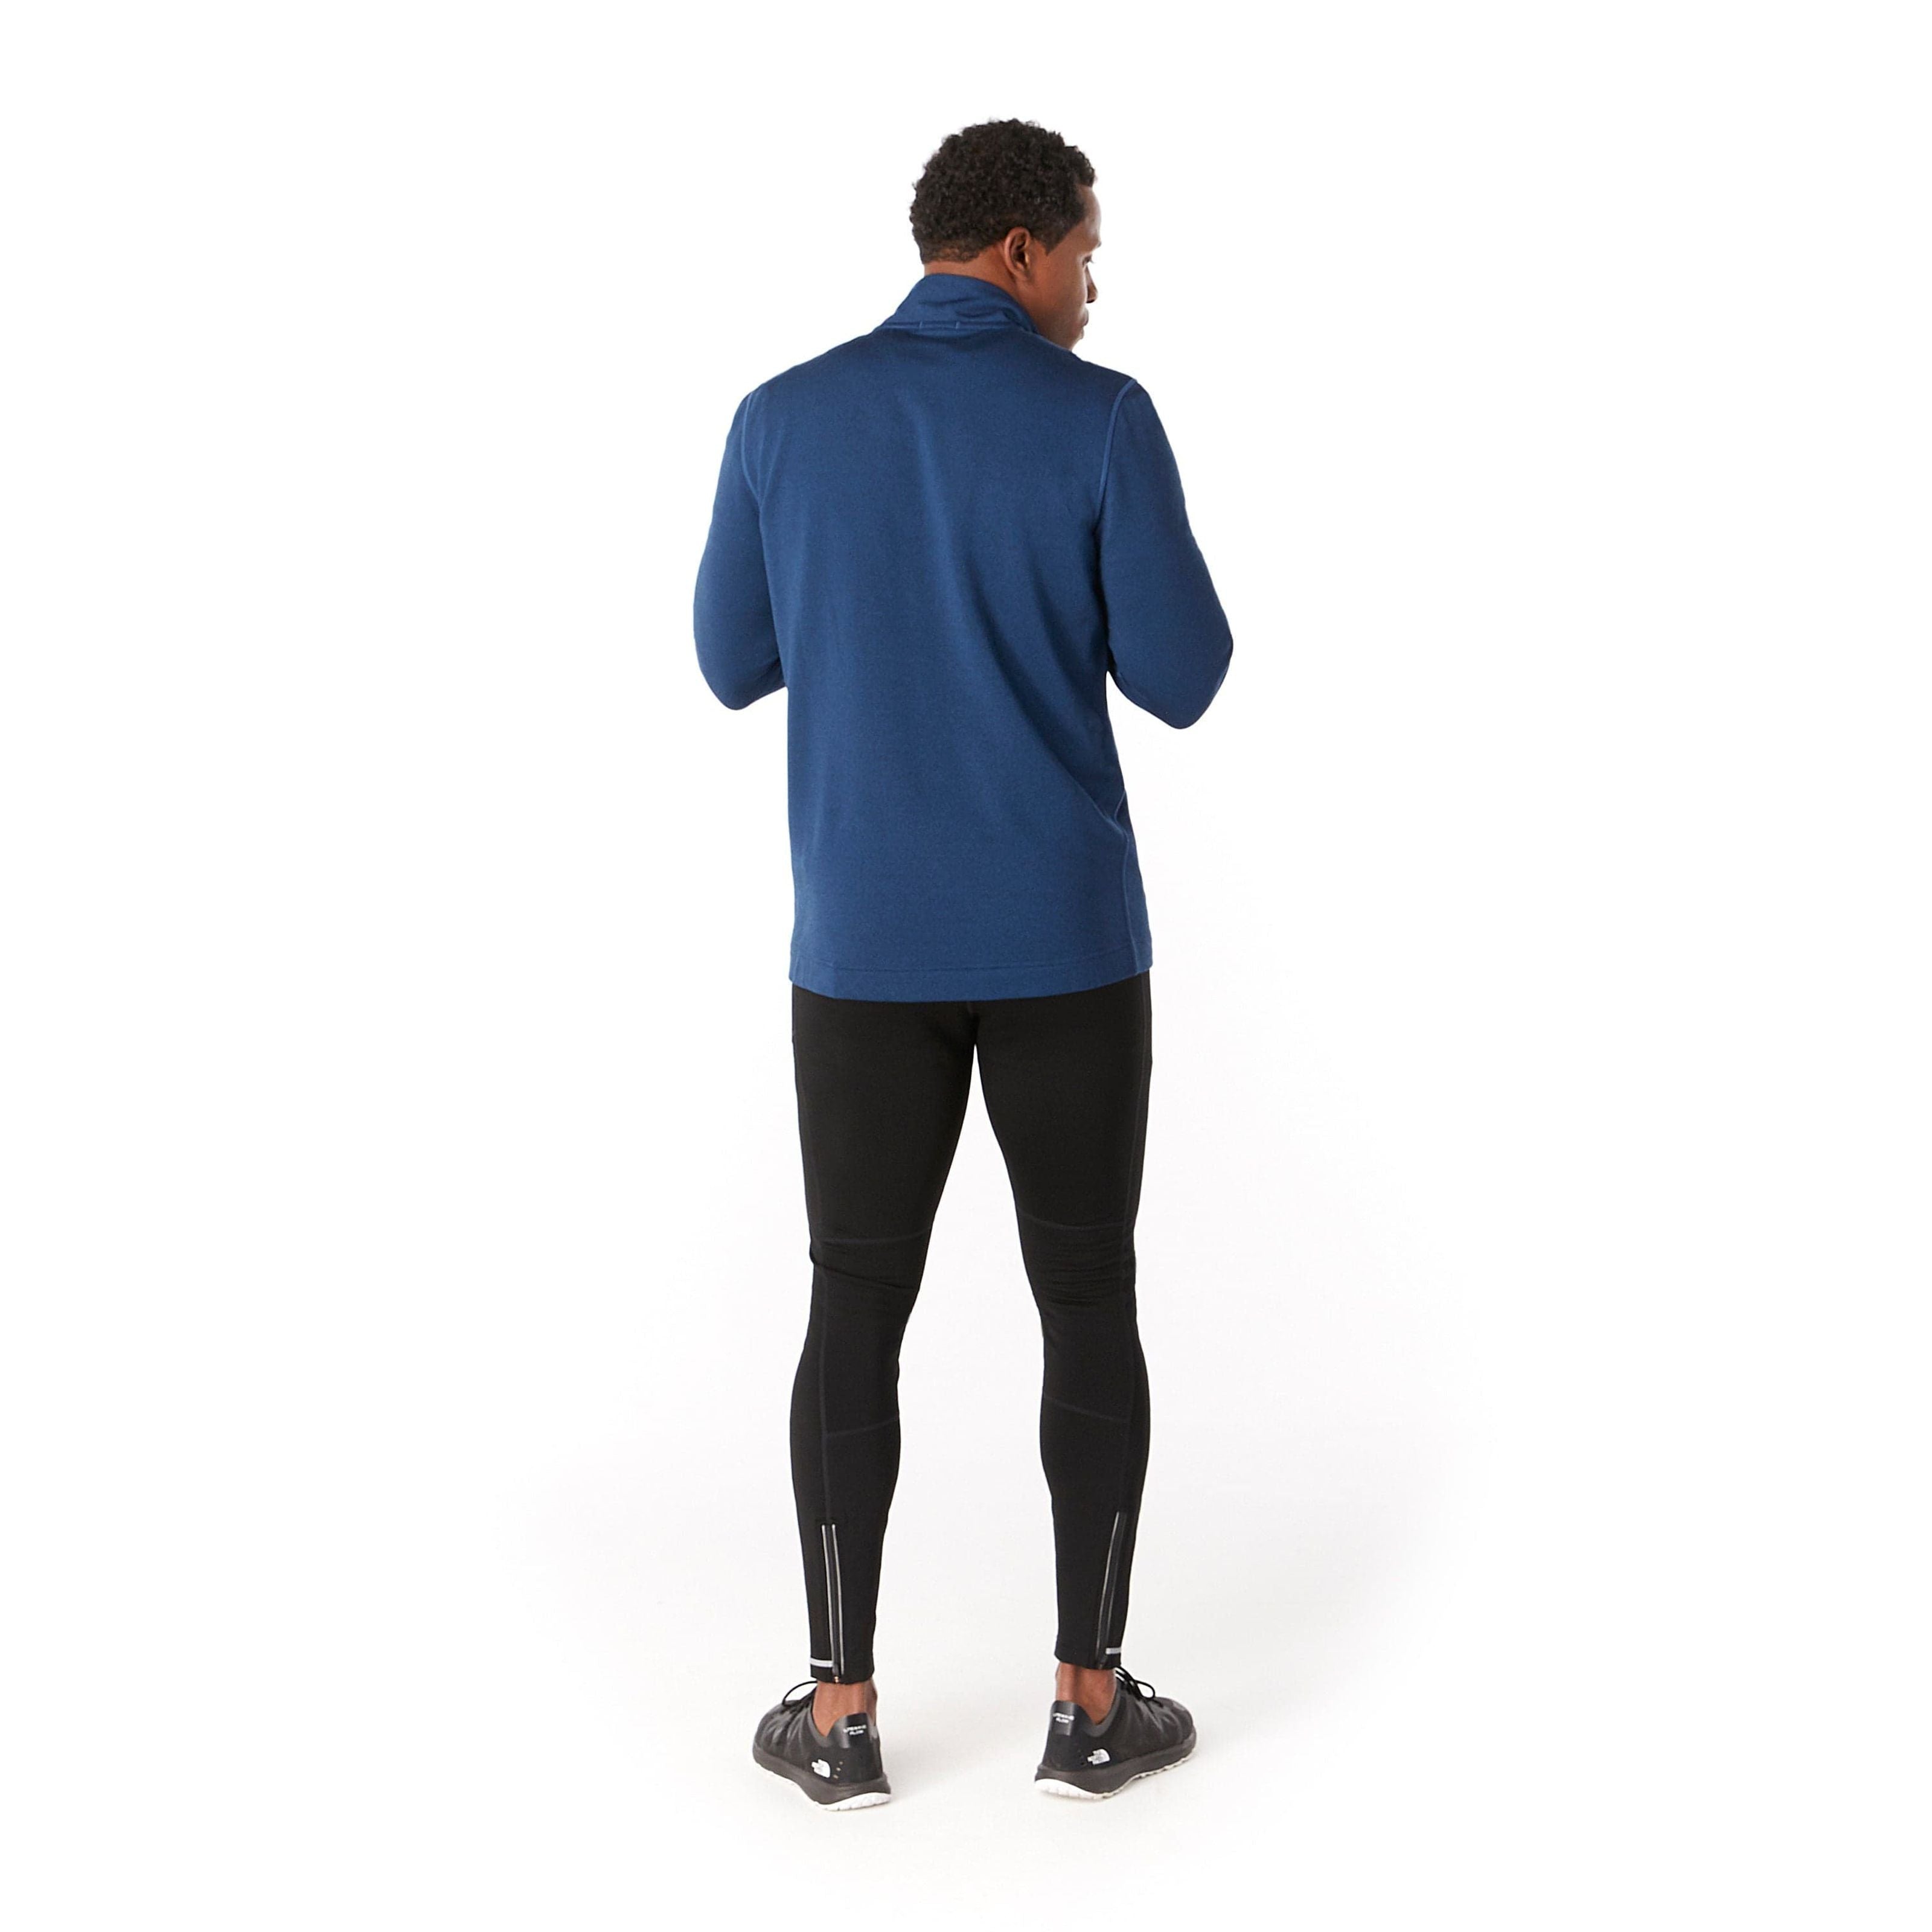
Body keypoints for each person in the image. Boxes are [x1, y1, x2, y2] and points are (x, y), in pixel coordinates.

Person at [693, 118, 1232, 1807]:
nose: (1093, 287)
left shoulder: (783, 419)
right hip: (1064, 945)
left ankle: (839, 1718)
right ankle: (1091, 1705)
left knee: (853, 1304)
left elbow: (729, 659)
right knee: (1088, 1296)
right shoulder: (1100, 417)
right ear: (1018, 250)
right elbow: (1187, 673)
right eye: (1085, 254)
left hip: (863, 949)